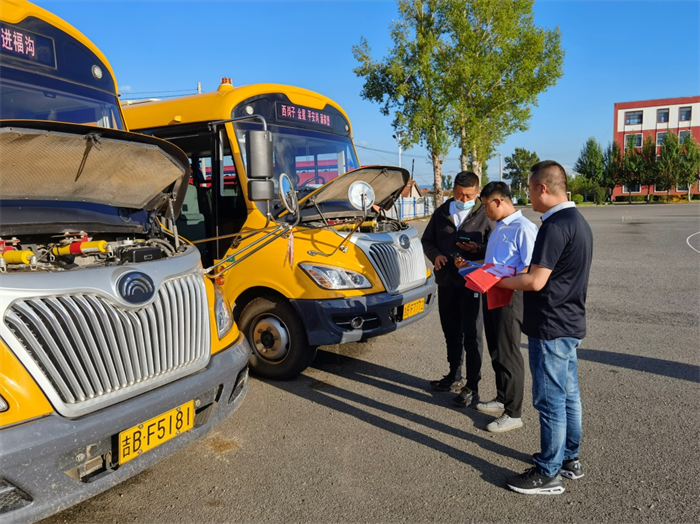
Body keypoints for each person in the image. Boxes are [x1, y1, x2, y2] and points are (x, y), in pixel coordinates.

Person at [496, 161, 593, 495]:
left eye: (529, 188)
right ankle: (570, 461)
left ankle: (548, 472)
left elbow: (536, 281)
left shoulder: (554, 226)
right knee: (569, 396)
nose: (527, 196)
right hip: (570, 321)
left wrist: (499, 281)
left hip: (551, 326)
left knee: (550, 400)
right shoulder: (578, 222)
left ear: (542, 188)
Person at [455, 182, 537, 433]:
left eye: (486, 205)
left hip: (510, 296)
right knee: (496, 350)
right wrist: (470, 264)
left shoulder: (524, 228)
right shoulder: (501, 228)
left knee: (508, 352)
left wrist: (502, 281)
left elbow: (530, 267)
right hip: (491, 292)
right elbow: (494, 263)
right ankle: (502, 398)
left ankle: (513, 413)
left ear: (499, 201)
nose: (484, 212)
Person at [421, 171, 495, 397]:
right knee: (451, 331)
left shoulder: (486, 215)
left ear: (477, 192)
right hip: (446, 282)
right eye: (460, 195)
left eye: (469, 196)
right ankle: (454, 375)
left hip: (472, 283)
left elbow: (494, 248)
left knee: (472, 334)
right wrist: (435, 256)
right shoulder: (441, 212)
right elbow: (427, 240)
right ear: (452, 190)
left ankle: (472, 385)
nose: (464, 200)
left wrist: (477, 250)